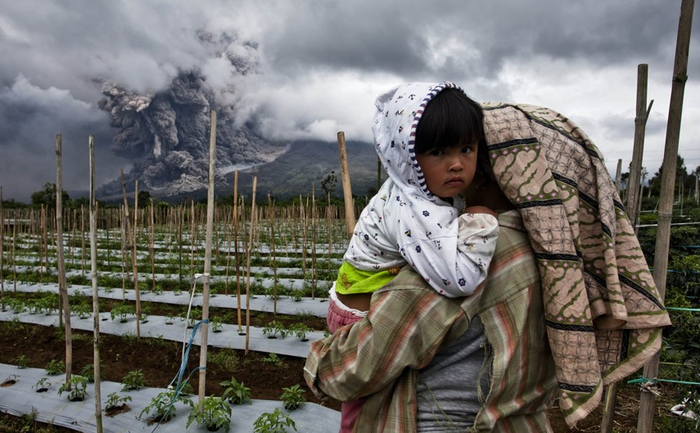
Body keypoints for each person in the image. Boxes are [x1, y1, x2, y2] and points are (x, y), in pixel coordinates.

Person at [304, 83, 672, 432]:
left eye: (472, 151)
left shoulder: (470, 252)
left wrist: (317, 368)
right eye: (442, 152)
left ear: (502, 170)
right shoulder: (565, 265)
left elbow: (355, 367)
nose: (462, 169)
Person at [326, 82, 500, 432]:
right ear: (406, 156)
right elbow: (458, 278)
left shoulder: (420, 189)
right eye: (438, 152)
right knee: (367, 403)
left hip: (362, 299)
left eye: (467, 149)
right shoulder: (414, 207)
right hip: (358, 319)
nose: (457, 164)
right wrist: (482, 217)